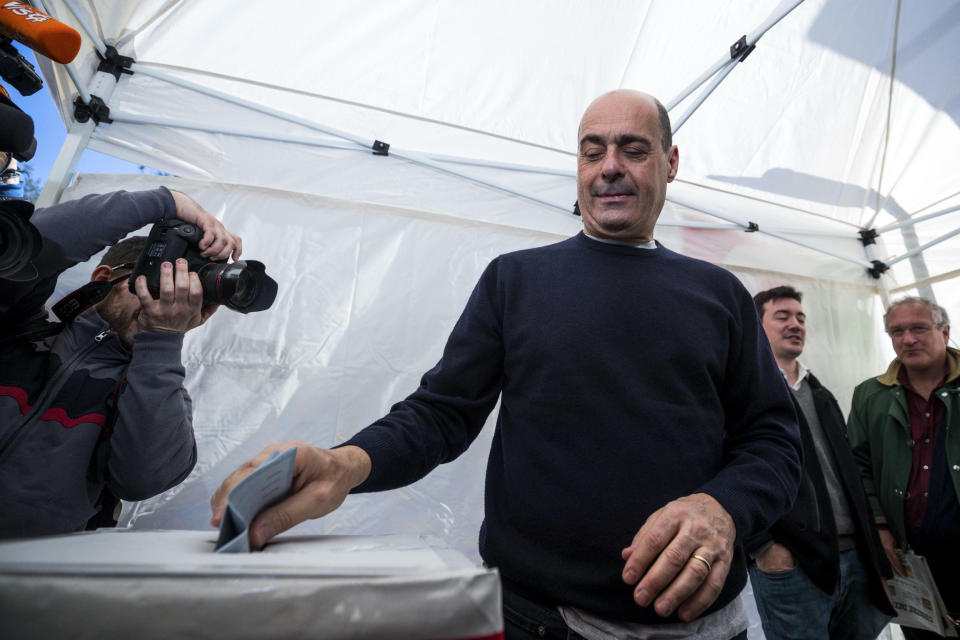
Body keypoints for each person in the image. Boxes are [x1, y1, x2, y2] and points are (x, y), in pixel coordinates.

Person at [211, 90, 802, 640]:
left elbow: (773, 438)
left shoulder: (719, 293)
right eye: (592, 151)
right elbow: (441, 414)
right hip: (537, 619)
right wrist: (346, 463)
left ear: (670, 162)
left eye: (633, 149)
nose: (610, 166)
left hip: (702, 625)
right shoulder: (515, 279)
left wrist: (722, 508)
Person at [0, 187, 242, 538]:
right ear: (103, 279)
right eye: (158, 282)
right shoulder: (19, 327)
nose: (168, 300)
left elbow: (142, 480)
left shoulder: (151, 388)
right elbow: (28, 244)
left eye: (185, 293)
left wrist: (162, 338)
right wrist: (167, 202)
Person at [746, 286, 894, 639]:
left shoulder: (820, 392)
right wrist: (763, 545)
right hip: (794, 566)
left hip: (854, 561)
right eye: (782, 317)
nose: (794, 324)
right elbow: (724, 465)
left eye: (800, 317)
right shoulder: (744, 391)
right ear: (756, 325)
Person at [848, 297, 960, 639]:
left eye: (919, 328)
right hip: (910, 558)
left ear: (945, 331)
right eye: (897, 331)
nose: (908, 339)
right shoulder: (870, 395)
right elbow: (858, 466)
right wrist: (879, 526)